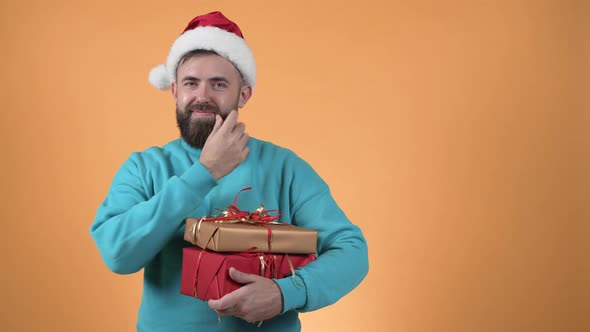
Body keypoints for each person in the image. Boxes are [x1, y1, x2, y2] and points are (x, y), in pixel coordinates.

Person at [90, 11, 368, 332]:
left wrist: (285, 293)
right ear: (175, 91)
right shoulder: (144, 167)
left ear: (244, 94)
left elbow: (352, 251)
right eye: (191, 83)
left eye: (218, 84)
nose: (202, 97)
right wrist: (204, 173)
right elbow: (118, 255)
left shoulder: (285, 167)